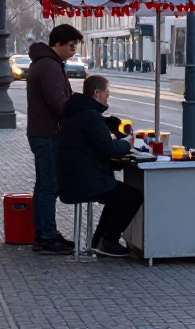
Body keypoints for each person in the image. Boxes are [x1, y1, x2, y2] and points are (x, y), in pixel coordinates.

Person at [56, 76, 142, 257]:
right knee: (132, 196)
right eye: (107, 93)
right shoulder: (91, 116)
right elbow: (109, 149)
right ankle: (109, 240)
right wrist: (128, 143)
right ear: (97, 93)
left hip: (74, 177)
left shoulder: (79, 112)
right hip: (84, 180)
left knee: (118, 195)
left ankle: (100, 240)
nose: (107, 97)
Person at [25, 23, 83, 254]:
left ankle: (44, 233)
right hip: (48, 134)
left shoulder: (49, 63)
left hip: (43, 132)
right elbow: (59, 104)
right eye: (70, 46)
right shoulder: (49, 66)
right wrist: (79, 109)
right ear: (57, 44)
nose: (73, 51)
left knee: (44, 185)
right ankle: (46, 237)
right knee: (49, 186)